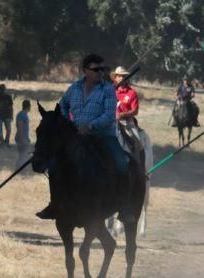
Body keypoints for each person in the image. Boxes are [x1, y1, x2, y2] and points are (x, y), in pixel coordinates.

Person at [36, 53, 135, 224]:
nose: (100, 72)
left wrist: (90, 126)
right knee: (54, 164)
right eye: (96, 69)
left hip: (103, 135)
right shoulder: (74, 88)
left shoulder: (108, 89)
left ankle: (124, 206)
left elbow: (109, 114)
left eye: (102, 69)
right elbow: (62, 106)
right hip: (75, 135)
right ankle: (55, 203)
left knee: (121, 163)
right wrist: (69, 125)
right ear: (85, 70)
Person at [15, 98, 32, 170]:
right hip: (22, 138)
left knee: (24, 155)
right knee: (23, 155)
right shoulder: (21, 115)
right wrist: (22, 139)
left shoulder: (23, 114)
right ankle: (19, 169)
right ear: (28, 106)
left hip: (24, 138)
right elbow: (20, 127)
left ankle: (21, 169)